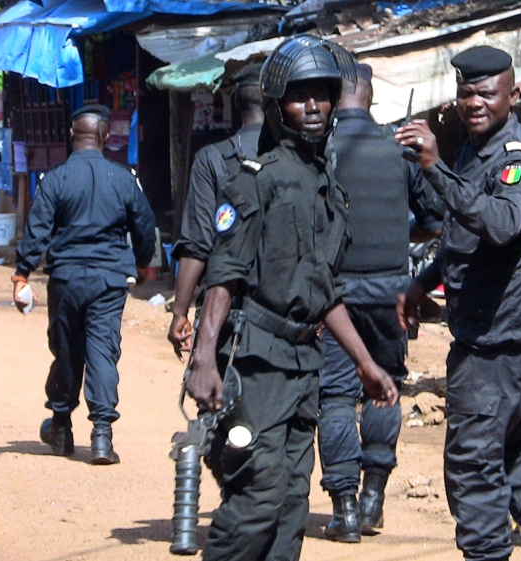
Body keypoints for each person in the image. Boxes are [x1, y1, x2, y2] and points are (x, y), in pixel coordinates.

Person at [185, 35, 398, 561]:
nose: (313, 107)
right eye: (300, 96)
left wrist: (366, 364)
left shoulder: (326, 183)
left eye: (322, 95)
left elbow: (324, 292)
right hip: (256, 362)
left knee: (290, 505)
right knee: (257, 495)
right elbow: (224, 274)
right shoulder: (254, 180)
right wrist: (203, 357)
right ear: (278, 104)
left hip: (306, 364)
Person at [395, 46, 521, 561]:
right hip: (509, 332)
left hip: (505, 339)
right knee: (510, 451)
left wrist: (435, 169)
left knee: (472, 466)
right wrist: (425, 281)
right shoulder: (474, 154)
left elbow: (499, 224)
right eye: (466, 92)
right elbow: (465, 234)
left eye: (486, 92)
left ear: (512, 96)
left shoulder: (518, 159)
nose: (474, 102)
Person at [315, 63, 445, 543]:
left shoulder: (320, 149)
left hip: (334, 299)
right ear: (370, 98)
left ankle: (344, 508)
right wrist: (397, 235)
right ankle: (373, 497)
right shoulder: (399, 151)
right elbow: (434, 220)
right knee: (384, 387)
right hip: (392, 295)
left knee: (334, 397)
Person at [13, 104, 156, 465]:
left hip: (66, 279)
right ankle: (102, 437)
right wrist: (141, 262)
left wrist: (22, 273)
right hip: (109, 281)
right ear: (106, 137)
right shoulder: (124, 178)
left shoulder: (55, 178)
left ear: (72, 136)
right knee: (102, 352)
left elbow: (37, 229)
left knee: (66, 351)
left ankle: (61, 427)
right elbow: (144, 226)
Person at [167, 63, 265, 360]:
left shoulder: (213, 158)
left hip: (223, 308)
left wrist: (180, 312)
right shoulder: (296, 155)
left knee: (216, 396)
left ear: (235, 104)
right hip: (288, 306)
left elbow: (197, 243)